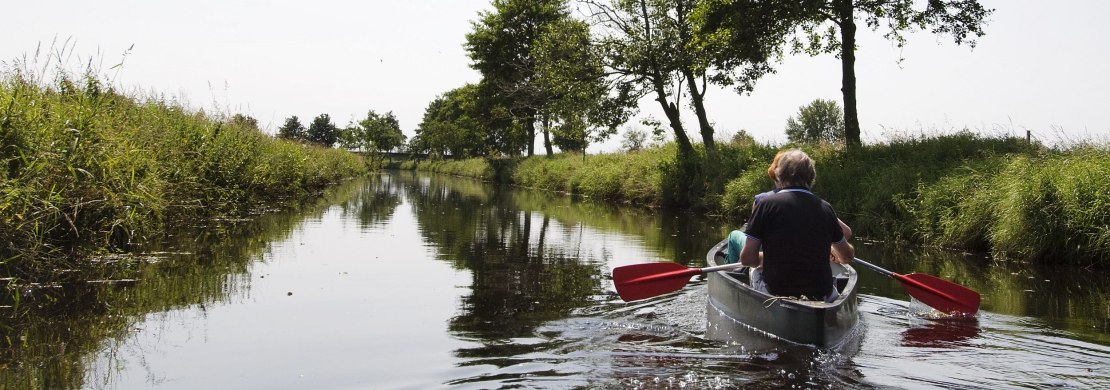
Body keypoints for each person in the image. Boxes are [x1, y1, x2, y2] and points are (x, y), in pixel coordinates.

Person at [738, 149, 854, 301]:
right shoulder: (826, 208)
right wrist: (830, 250)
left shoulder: (765, 205)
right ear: (812, 177)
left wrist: (765, 258)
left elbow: (747, 259)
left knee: (753, 269)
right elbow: (847, 256)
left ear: (779, 175)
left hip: (776, 292)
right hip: (819, 294)